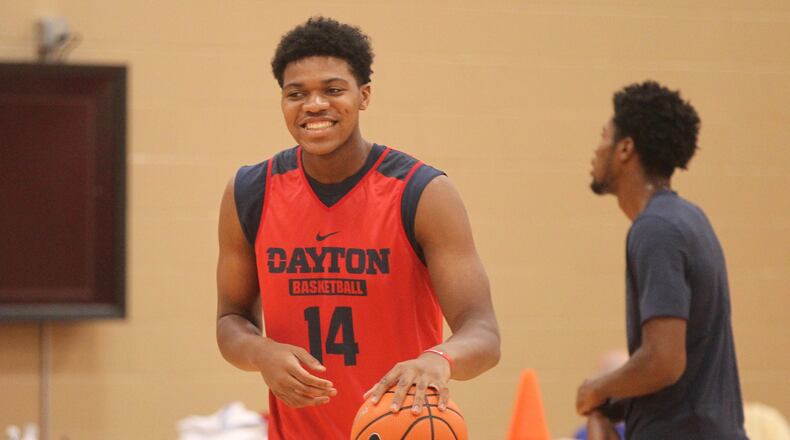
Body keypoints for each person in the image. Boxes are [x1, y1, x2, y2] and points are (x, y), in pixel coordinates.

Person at [215, 17, 500, 440]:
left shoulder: (422, 192)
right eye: (297, 94)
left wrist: (440, 357)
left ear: (363, 96)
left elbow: (483, 333)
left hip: (399, 428)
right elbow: (230, 319)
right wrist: (261, 352)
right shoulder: (251, 191)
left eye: (332, 90)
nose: (313, 105)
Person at [575, 81, 749, 439]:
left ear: (625, 149)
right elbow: (681, 379)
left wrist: (597, 387)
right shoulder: (688, 218)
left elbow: (664, 361)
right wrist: (612, 404)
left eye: (603, 136)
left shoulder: (656, 229)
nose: (596, 149)